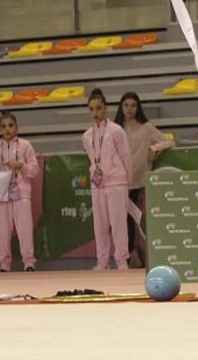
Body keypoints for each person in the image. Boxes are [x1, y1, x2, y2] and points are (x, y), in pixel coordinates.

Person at [113, 92, 172, 267]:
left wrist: (154, 148)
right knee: (125, 219)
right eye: (126, 105)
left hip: (140, 181)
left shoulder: (146, 128)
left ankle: (140, 254)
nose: (129, 109)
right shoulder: (116, 129)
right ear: (121, 107)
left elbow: (167, 142)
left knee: (139, 219)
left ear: (138, 107)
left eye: (133, 105)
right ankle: (128, 254)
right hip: (120, 181)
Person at [83, 88, 132, 270]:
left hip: (117, 182)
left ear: (105, 109)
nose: (95, 113)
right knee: (100, 224)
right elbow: (92, 158)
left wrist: (127, 181)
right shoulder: (87, 136)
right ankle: (102, 260)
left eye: (99, 108)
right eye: (92, 109)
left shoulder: (116, 131)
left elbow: (126, 156)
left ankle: (121, 260)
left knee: (118, 222)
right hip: (98, 184)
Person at [0, 111, 39, 273]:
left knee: (25, 230)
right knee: (3, 232)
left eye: (10, 125)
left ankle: (28, 262)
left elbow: (34, 170)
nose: (7, 129)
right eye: (3, 126)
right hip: (2, 195)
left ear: (17, 127)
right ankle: (4, 264)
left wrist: (21, 166)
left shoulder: (25, 146)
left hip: (21, 193)